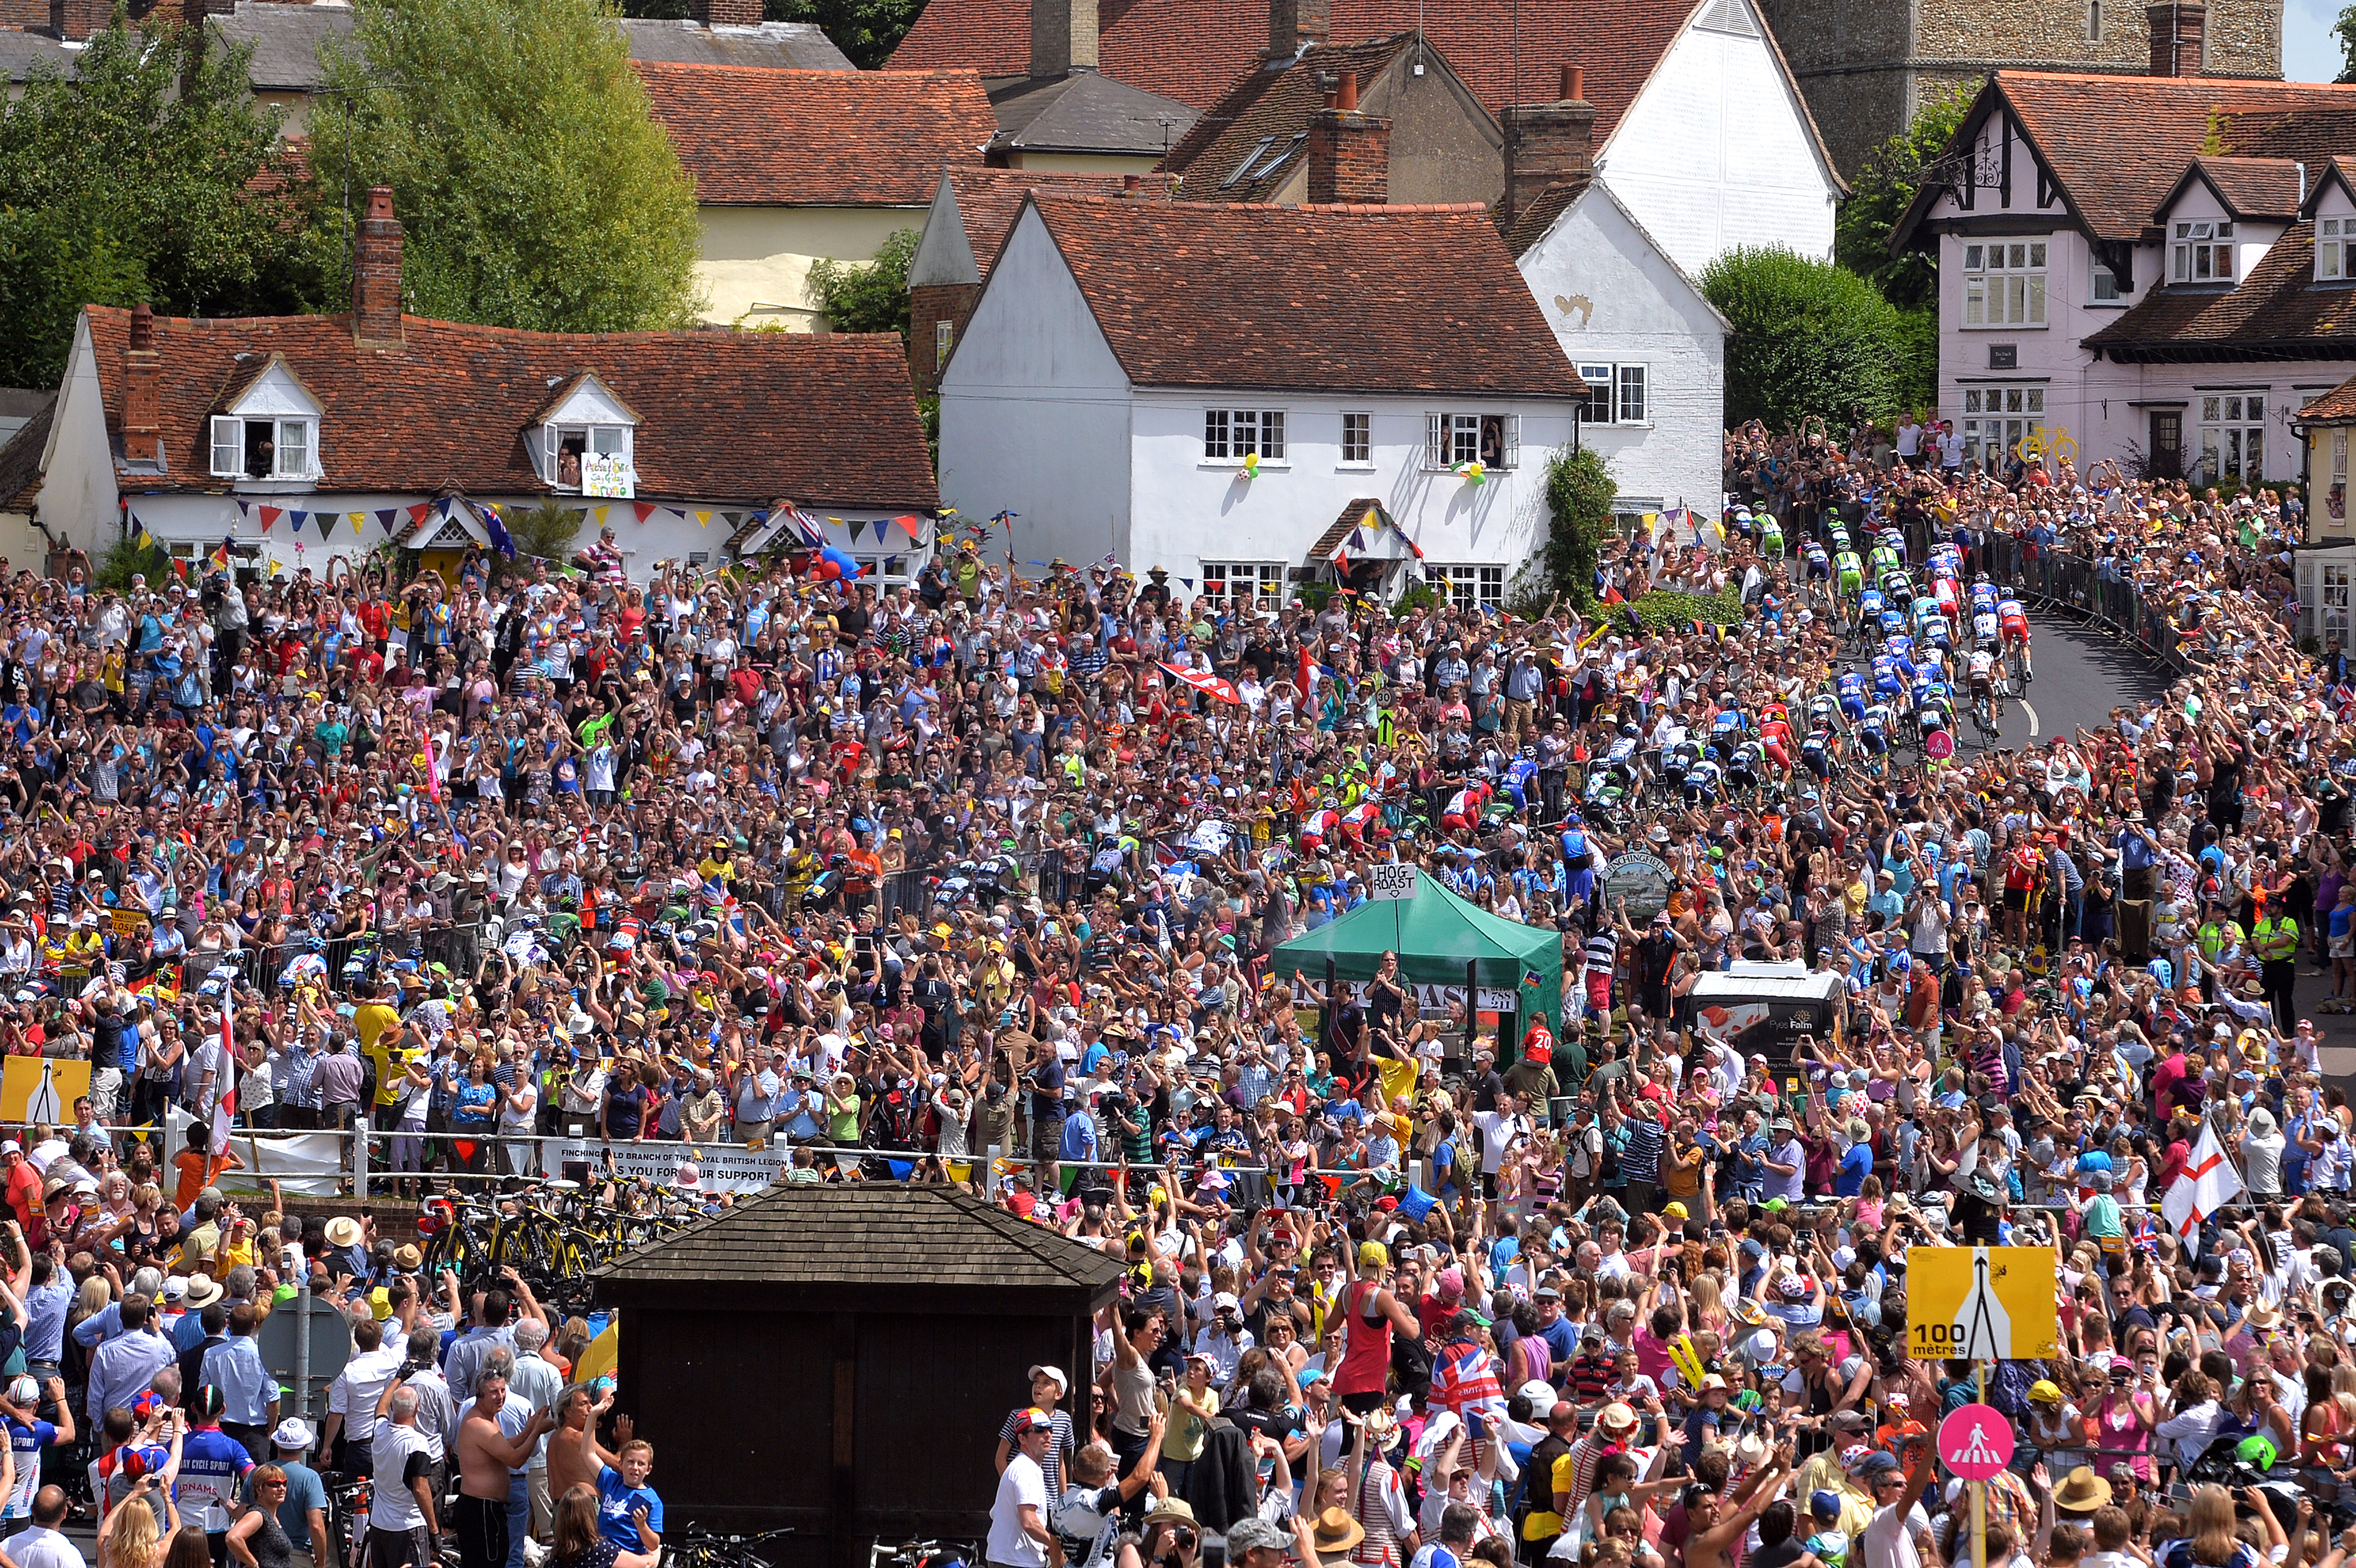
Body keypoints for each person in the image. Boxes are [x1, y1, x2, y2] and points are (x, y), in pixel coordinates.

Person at [990, 1408, 1055, 1568]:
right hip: (1014, 1562)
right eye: (1039, 1430)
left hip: (1015, 1559)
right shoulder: (1025, 1470)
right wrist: (1055, 1545)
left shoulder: (1027, 1467)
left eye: (1050, 1429)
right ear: (1022, 1439)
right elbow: (1029, 1522)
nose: (1047, 1435)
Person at [544, 1484, 657, 1568]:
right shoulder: (601, 1550)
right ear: (590, 1516)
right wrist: (655, 1552)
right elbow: (645, 1564)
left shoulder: (556, 1555)